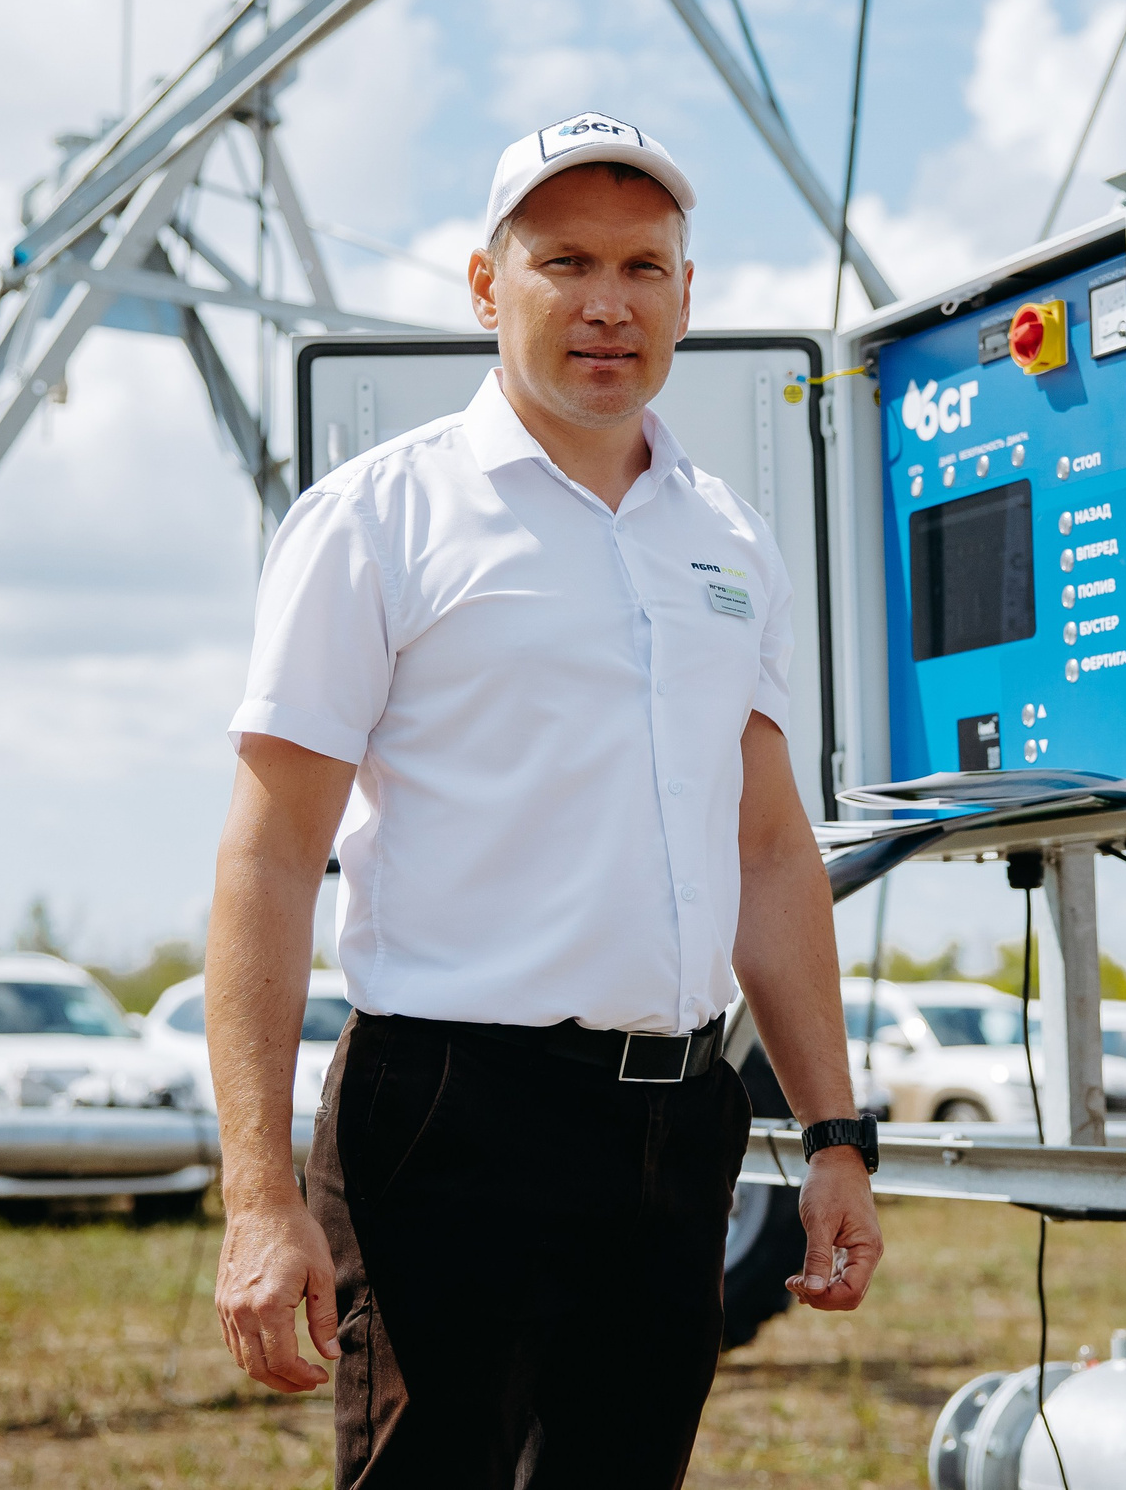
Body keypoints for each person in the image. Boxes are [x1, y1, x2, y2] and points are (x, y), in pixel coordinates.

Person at [203, 112, 881, 1487]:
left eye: (644, 266)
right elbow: (268, 862)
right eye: (565, 261)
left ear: (687, 295)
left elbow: (766, 850)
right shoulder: (378, 520)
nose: (607, 304)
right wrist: (259, 1194)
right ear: (484, 286)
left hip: (679, 1121)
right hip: (450, 1112)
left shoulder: (729, 541)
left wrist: (833, 1137)